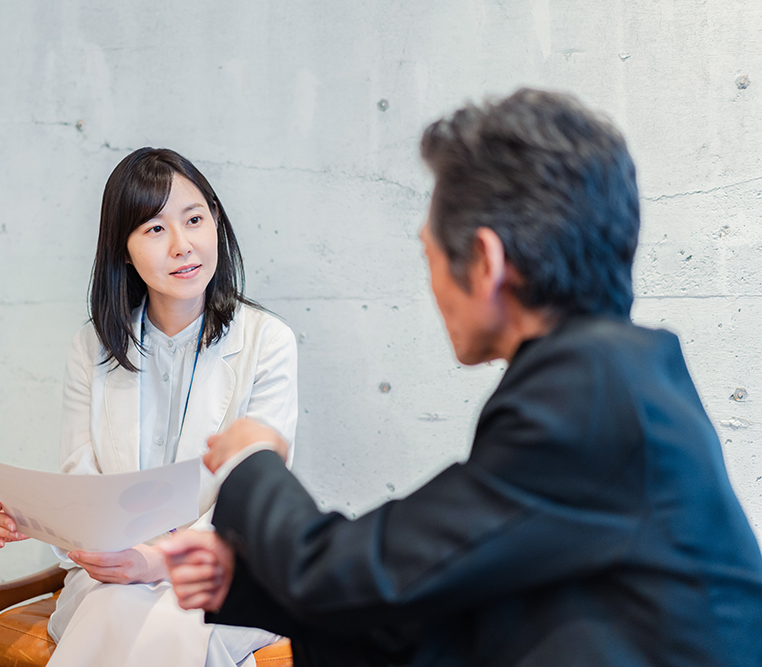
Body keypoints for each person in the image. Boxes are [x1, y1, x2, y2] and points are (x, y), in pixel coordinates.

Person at [161, 89, 762, 666]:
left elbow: (366, 571)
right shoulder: (617, 378)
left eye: (429, 257)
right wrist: (243, 584)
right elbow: (447, 609)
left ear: (485, 261)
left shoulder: (586, 395)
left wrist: (251, 461)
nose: (433, 286)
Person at [0, 147, 298, 667]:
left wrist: (151, 562)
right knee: (119, 607)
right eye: (154, 229)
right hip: (111, 579)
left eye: (194, 220)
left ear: (215, 222)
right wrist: (35, 515)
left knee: (166, 622)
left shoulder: (268, 342)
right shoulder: (93, 347)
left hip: (226, 575)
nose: (182, 245)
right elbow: (84, 487)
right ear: (123, 249)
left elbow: (254, 499)